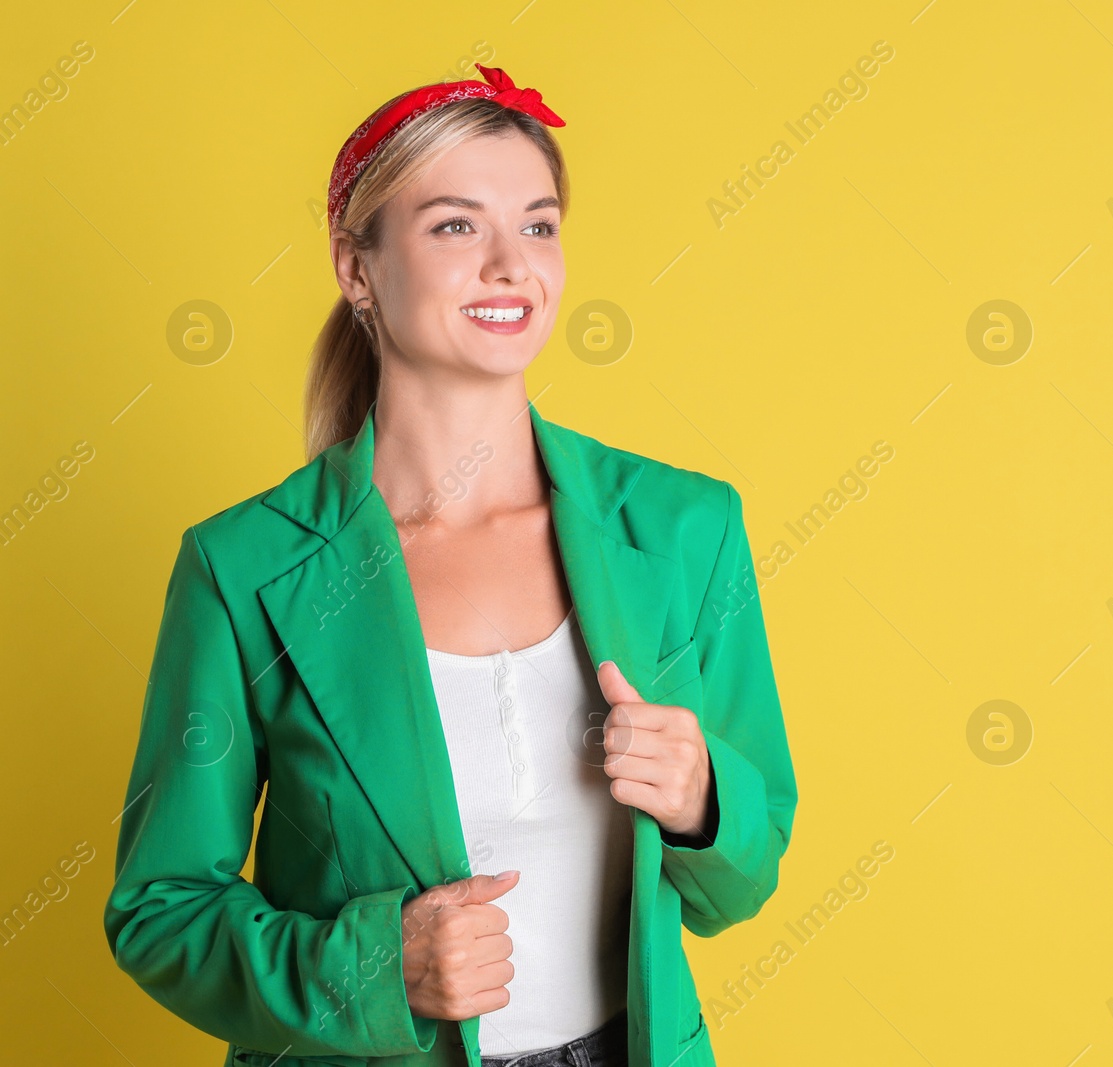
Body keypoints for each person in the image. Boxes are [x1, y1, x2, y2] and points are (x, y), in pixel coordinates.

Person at [103, 63, 798, 1067]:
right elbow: (160, 909)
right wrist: (376, 965)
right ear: (356, 268)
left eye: (540, 224)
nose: (513, 264)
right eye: (456, 226)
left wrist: (701, 800)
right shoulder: (240, 566)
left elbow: (743, 879)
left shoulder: (685, 528)